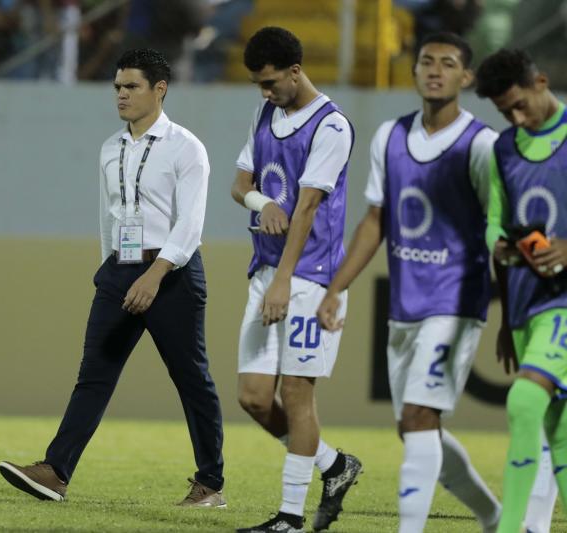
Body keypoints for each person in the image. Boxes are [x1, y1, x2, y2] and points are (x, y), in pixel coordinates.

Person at [0, 47, 226, 508]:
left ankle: (210, 484)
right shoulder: (110, 148)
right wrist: (110, 270)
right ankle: (55, 472)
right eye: (117, 87)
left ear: (159, 89)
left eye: (131, 87)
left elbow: (191, 224)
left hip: (172, 275)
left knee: (191, 378)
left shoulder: (186, 147)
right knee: (94, 375)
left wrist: (155, 274)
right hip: (121, 271)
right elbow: (110, 216)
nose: (121, 95)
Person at [316, 32, 503, 532]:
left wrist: (510, 311)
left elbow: (499, 229)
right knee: (416, 427)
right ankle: (493, 517)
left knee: (420, 417)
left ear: (466, 77)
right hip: (404, 305)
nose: (435, 70)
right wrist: (336, 288)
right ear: (415, 70)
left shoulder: (481, 144)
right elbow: (375, 221)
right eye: (426, 61)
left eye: (448, 63)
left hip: (455, 303)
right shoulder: (390, 136)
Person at [231, 27, 361, 533]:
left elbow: (306, 207)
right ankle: (334, 464)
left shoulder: (331, 126)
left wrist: (284, 280)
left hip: (310, 278)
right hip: (266, 270)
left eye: (270, 83)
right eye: (258, 85)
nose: (265, 92)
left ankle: (289, 517)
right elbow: (240, 184)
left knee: (298, 394)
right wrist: (262, 203)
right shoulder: (265, 113)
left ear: (295, 71)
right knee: (253, 397)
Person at [475, 47, 567, 533]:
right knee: (559, 431)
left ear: (541, 82)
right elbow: (495, 220)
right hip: (527, 302)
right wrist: (501, 245)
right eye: (504, 112)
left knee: (524, 402)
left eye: (519, 106)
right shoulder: (504, 148)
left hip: (564, 303)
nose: (515, 118)